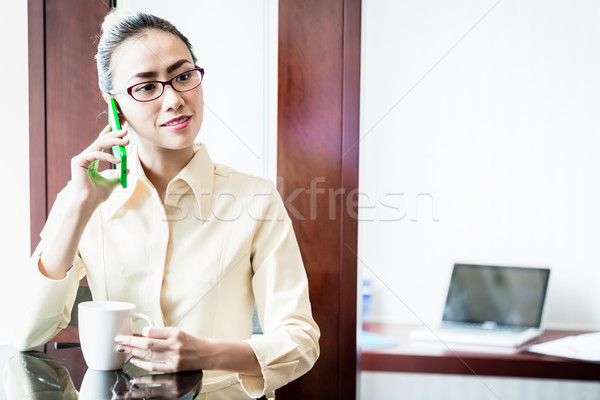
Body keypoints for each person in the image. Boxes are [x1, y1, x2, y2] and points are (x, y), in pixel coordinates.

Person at [13, 9, 320, 399]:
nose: (174, 99)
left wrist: (207, 354)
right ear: (115, 106)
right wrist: (78, 209)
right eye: (145, 87)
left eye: (183, 76)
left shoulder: (256, 199)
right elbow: (23, 333)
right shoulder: (84, 198)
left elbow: (301, 340)